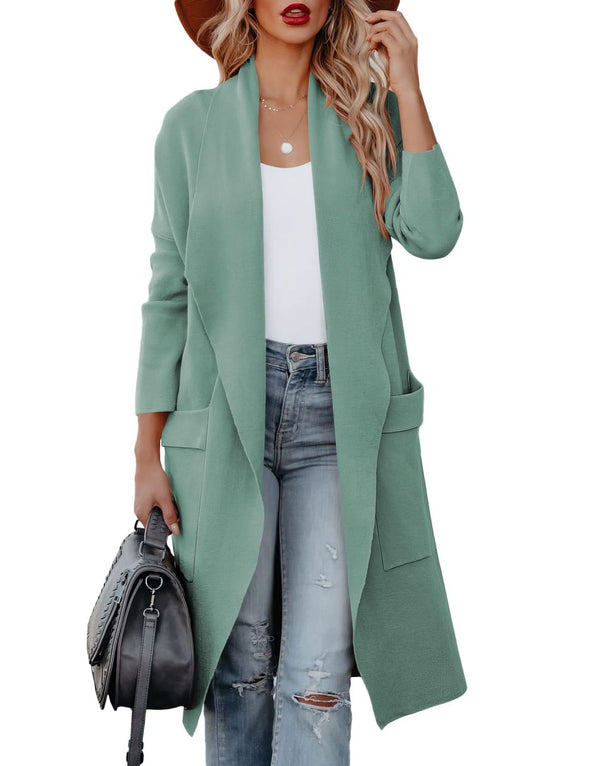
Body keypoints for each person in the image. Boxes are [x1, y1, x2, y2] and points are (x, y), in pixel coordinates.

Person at [134, 1, 467, 764]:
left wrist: (408, 84)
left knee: (318, 677)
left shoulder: (368, 113)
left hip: (338, 418)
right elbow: (168, 295)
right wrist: (146, 451)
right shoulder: (190, 129)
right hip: (226, 421)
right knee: (238, 666)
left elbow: (435, 230)